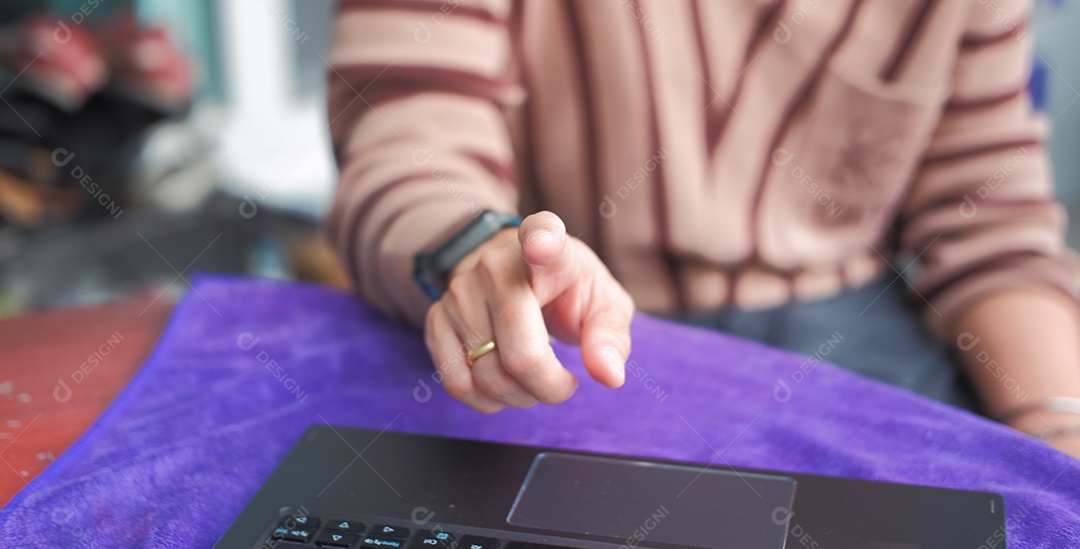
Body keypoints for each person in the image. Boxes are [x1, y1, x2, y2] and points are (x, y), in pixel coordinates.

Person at [326, 0, 1080, 457]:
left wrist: (1056, 428)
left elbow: (992, 231)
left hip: (859, 343)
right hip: (577, 337)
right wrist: (476, 251)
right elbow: (404, 134)